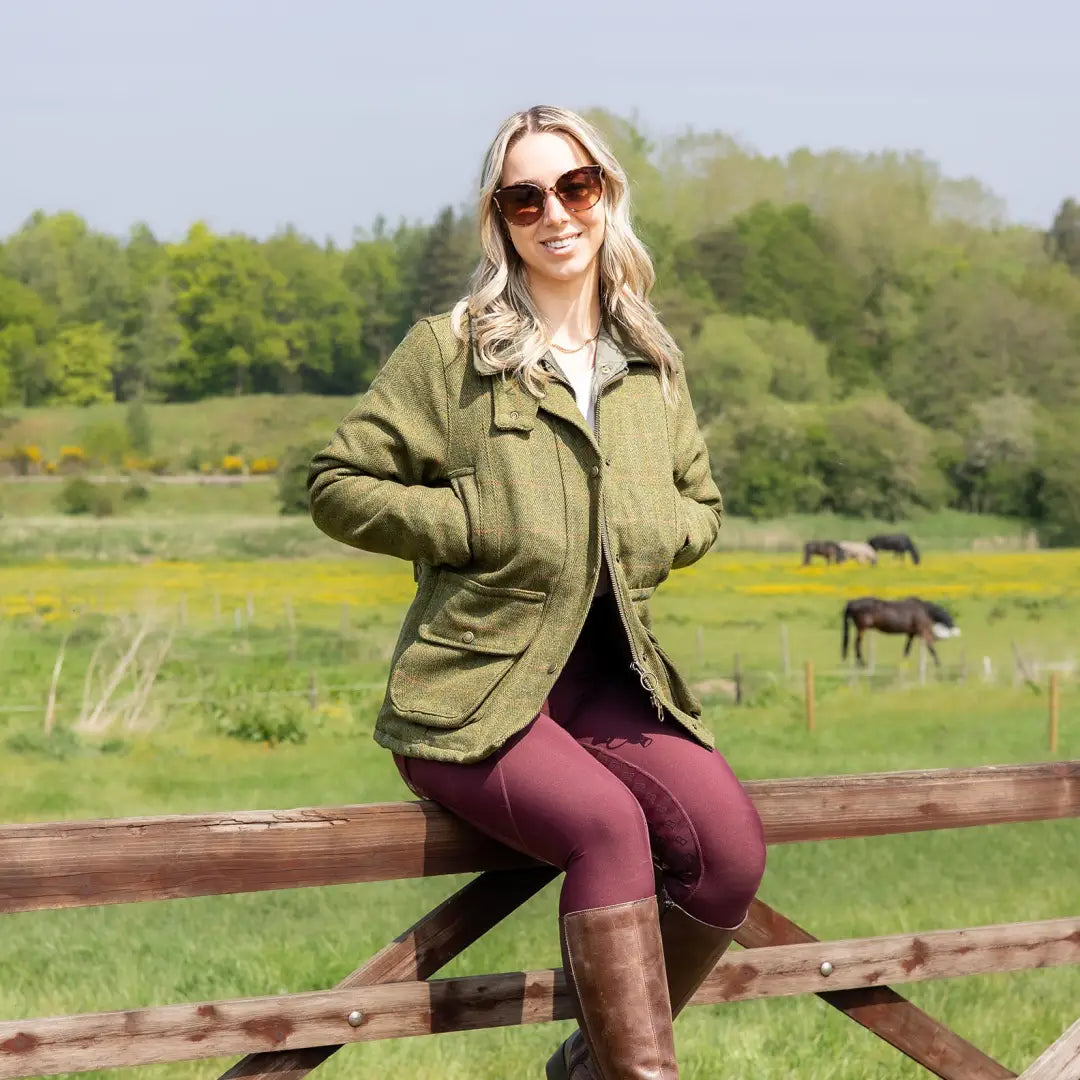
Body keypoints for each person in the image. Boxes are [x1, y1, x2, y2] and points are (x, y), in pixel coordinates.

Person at [308, 105, 766, 1080]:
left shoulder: (650, 361)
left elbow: (703, 505)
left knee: (727, 851)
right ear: (500, 219)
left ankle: (592, 1065)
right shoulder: (454, 351)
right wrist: (468, 523)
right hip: (474, 694)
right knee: (608, 827)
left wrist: (654, 535)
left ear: (606, 196)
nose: (553, 213)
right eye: (525, 197)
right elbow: (336, 484)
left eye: (574, 187)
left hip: (610, 685)